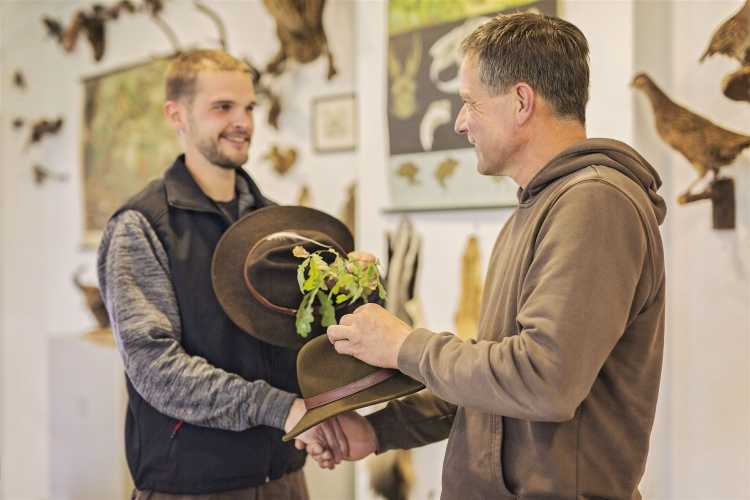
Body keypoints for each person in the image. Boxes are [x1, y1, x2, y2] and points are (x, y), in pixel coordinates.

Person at [303, 12, 667, 500]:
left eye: (470, 102)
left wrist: (404, 345)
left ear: (521, 101)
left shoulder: (595, 203)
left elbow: (543, 380)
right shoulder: (541, 205)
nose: (460, 122)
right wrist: (379, 431)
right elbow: (498, 382)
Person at [97, 49, 344, 500]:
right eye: (223, 107)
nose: (243, 122)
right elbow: (156, 369)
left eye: (249, 107)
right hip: (190, 488)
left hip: (286, 480)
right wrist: (280, 409)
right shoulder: (141, 226)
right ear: (177, 115)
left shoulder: (277, 226)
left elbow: (299, 341)